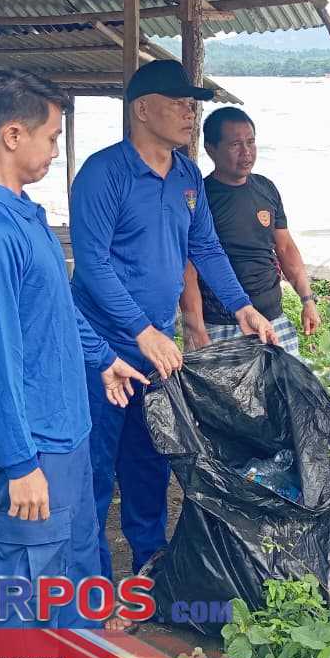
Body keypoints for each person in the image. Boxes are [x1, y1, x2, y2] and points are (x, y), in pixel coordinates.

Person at [0, 66, 146, 628]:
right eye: (52, 137)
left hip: (70, 432)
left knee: (76, 572)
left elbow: (56, 309)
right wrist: (19, 461)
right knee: (28, 592)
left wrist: (103, 359)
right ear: (13, 135)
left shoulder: (25, 214)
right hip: (36, 445)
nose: (57, 151)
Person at [69, 59, 278, 579]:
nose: (191, 113)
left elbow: (204, 246)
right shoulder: (104, 173)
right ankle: (92, 581)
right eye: (181, 103)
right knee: (94, 468)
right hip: (103, 347)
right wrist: (140, 332)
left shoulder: (186, 175)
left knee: (150, 457)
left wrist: (242, 306)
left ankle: (147, 561)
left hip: (157, 344)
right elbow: (91, 263)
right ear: (143, 109)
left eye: (194, 104)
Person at [179, 107, 320, 357]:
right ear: (211, 149)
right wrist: (196, 329)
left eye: (251, 142)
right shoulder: (201, 199)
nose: (246, 152)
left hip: (273, 320)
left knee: (286, 394)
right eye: (235, 144)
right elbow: (188, 268)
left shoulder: (266, 188)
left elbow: (285, 248)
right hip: (222, 327)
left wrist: (307, 299)